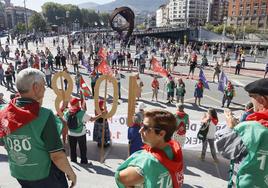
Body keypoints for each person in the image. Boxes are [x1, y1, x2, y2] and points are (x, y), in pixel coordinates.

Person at [0, 68, 76, 187]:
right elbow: (56, 155)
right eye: (43, 85)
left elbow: (3, 142)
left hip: (20, 173)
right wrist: (71, 173)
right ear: (36, 87)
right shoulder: (44, 115)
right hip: (45, 176)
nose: (45, 88)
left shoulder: (3, 112)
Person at [217, 78, 268, 188]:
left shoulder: (251, 128)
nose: (251, 101)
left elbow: (225, 149)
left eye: (252, 97)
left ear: (262, 100)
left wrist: (230, 127)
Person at [115, 109, 184, 188]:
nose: (140, 130)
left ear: (161, 134)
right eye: (141, 125)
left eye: (146, 127)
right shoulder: (174, 149)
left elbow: (120, 178)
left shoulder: (148, 162)